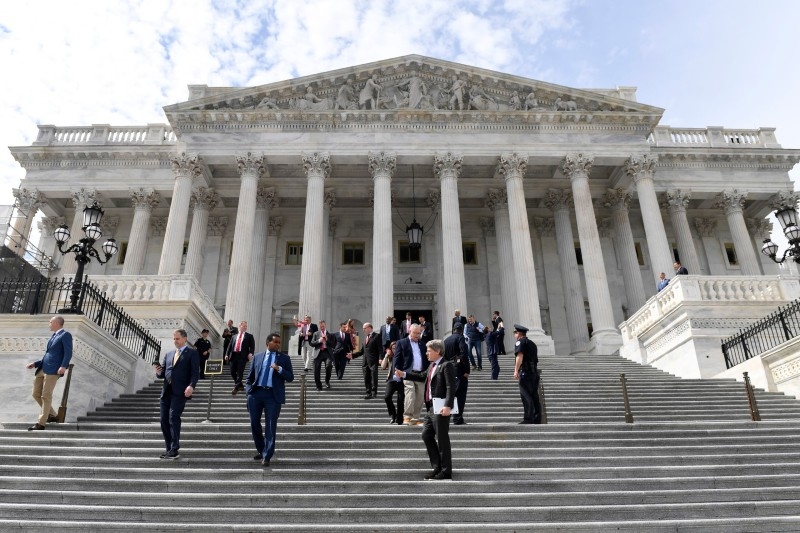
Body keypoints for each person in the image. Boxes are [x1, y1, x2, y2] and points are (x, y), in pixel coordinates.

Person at [397, 339, 457, 480]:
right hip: (430, 407)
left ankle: (446, 471)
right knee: (426, 435)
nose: (426, 353)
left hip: (440, 407)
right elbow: (421, 376)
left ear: (438, 351)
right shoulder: (432, 366)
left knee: (442, 439)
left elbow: (451, 387)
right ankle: (437, 467)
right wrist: (404, 374)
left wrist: (448, 405)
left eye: (429, 351)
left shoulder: (446, 365)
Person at [246, 333, 294, 467]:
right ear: (268, 343)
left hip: (273, 396)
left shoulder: (284, 358)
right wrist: (248, 392)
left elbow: (290, 377)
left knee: (270, 425)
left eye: (279, 342)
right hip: (256, 394)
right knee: (254, 423)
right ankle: (261, 450)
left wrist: (279, 369)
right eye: (276, 342)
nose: (279, 344)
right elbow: (250, 378)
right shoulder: (258, 357)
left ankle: (267, 455)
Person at [154, 329, 200, 459]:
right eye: (174, 339)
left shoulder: (192, 353)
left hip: (180, 392)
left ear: (185, 338)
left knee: (173, 417)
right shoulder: (168, 354)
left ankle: (175, 448)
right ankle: (169, 448)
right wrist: (158, 371)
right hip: (166, 391)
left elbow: (195, 373)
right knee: (163, 420)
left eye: (177, 339)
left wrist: (192, 385)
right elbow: (162, 374)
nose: (175, 341)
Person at [25, 315, 73, 430]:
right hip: (42, 368)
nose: (49, 324)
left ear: (57, 323)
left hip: (53, 370)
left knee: (46, 395)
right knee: (36, 394)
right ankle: (53, 415)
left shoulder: (65, 335)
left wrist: (63, 366)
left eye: (50, 322)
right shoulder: (53, 336)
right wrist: (36, 364)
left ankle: (41, 423)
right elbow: (49, 354)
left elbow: (68, 352)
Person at [393, 323, 428, 425]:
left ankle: (415, 418)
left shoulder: (422, 344)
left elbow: (425, 359)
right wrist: (397, 370)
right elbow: (397, 358)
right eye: (415, 333)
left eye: (419, 333)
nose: (417, 335)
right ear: (409, 331)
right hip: (407, 373)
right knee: (410, 393)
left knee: (420, 396)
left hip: (420, 374)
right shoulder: (401, 342)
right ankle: (407, 416)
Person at [513, 324, 541, 424]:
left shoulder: (520, 342)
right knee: (534, 396)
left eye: (514, 333)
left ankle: (528, 418)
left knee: (525, 395)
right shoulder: (532, 343)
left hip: (526, 372)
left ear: (519, 334)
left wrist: (516, 370)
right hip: (534, 373)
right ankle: (537, 418)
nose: (514, 335)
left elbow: (519, 356)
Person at [444, 322, 470, 426]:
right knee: (460, 395)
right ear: (461, 329)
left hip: (449, 369)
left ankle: (447, 417)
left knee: (451, 394)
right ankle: (458, 418)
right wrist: (467, 370)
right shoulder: (460, 338)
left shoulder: (446, 340)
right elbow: (464, 354)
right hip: (459, 370)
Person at [348, 322, 381, 399]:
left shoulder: (377, 336)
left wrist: (380, 358)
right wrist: (352, 355)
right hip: (365, 362)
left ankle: (374, 393)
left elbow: (380, 349)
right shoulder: (365, 338)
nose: (363, 330)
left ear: (370, 328)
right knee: (366, 378)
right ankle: (368, 393)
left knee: (373, 377)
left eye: (364, 328)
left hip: (373, 361)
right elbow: (362, 351)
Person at [226, 321, 255, 395]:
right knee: (232, 372)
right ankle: (240, 385)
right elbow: (229, 346)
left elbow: (252, 346)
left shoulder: (249, 336)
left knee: (240, 372)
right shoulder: (234, 336)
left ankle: (236, 387)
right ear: (240, 326)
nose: (245, 327)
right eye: (244, 326)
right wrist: (227, 354)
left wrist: (251, 353)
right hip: (233, 355)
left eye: (246, 326)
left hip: (242, 356)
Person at [381, 340, 404, 424]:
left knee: (400, 400)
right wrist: (386, 355)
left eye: (396, 348)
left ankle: (399, 419)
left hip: (401, 381)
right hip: (391, 380)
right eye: (393, 348)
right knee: (387, 397)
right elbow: (383, 367)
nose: (395, 350)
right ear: (391, 349)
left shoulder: (403, 356)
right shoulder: (390, 357)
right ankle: (393, 415)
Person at [311, 320, 337, 391]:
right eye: (321, 326)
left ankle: (327, 380)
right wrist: (319, 341)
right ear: (319, 326)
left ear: (325, 325)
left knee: (329, 365)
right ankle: (318, 386)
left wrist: (327, 340)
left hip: (327, 352)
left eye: (323, 326)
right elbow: (312, 343)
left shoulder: (330, 334)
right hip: (318, 353)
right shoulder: (316, 334)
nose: (322, 327)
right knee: (316, 370)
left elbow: (333, 345)